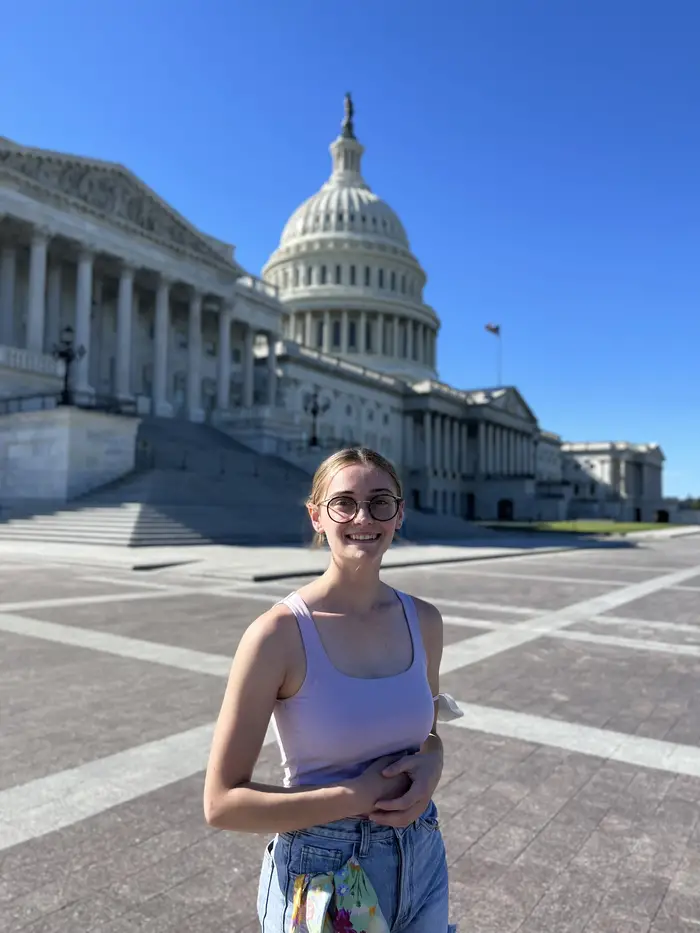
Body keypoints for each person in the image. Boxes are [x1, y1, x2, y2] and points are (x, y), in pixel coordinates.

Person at [204, 446, 456, 931]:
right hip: (323, 873)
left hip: (420, 856)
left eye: (381, 502)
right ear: (317, 515)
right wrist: (356, 795)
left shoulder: (424, 620)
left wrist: (434, 759)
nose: (364, 517)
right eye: (345, 503)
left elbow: (426, 731)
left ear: (399, 514)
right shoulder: (277, 634)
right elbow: (221, 803)